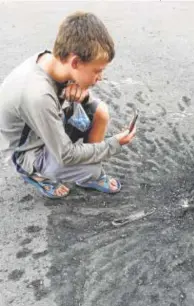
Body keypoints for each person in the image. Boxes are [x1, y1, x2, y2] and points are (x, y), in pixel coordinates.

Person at [0, 11, 136, 199]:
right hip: (27, 150)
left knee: (100, 112)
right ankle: (37, 175)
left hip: (43, 126)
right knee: (81, 165)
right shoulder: (38, 94)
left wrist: (81, 93)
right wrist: (113, 144)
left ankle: (88, 173)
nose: (100, 77)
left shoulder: (54, 62)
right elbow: (66, 155)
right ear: (75, 62)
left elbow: (77, 99)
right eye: (97, 70)